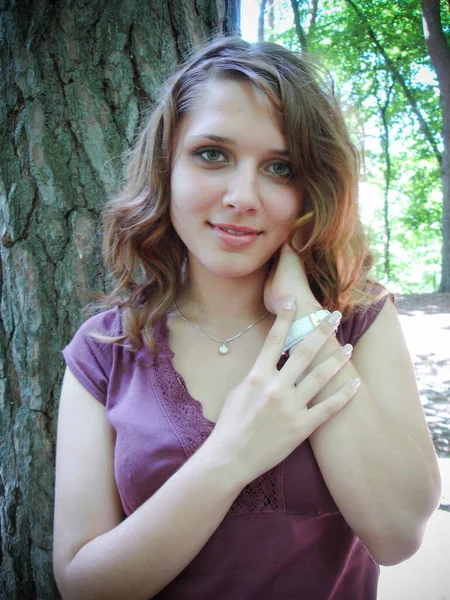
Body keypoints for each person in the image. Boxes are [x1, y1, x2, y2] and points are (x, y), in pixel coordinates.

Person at [53, 37, 441, 600]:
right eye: (212, 153)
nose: (242, 196)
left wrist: (304, 316)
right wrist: (232, 454)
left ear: (312, 187)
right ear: (167, 166)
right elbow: (84, 586)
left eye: (280, 167)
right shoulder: (105, 349)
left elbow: (398, 534)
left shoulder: (359, 320)